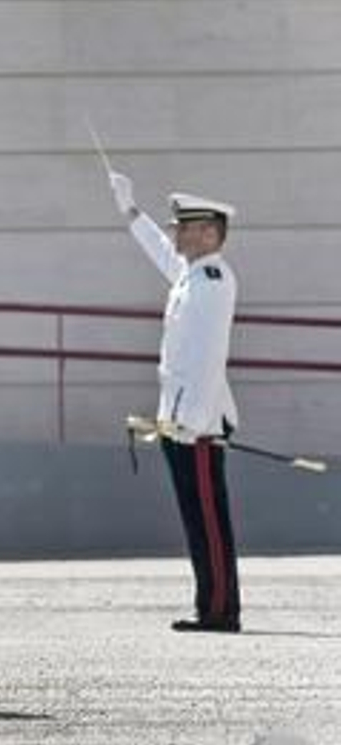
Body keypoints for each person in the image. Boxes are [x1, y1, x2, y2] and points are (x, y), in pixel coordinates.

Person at [108, 178, 242, 633]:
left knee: (208, 518)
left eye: (185, 228)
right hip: (180, 420)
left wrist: (192, 421)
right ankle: (210, 605)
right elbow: (163, 256)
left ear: (209, 234)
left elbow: (207, 356)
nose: (177, 235)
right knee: (195, 517)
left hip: (197, 423)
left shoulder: (213, 280)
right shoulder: (193, 276)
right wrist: (131, 213)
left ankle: (222, 610)